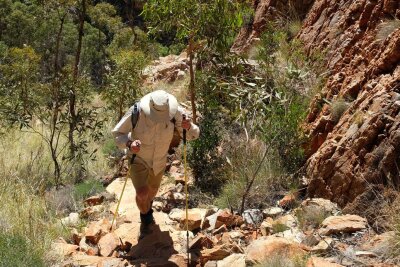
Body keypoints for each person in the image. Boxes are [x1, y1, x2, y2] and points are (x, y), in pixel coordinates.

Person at [112, 90, 200, 239]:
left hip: (159, 162)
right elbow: (117, 133)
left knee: (151, 194)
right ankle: (145, 220)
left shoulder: (175, 113)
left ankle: (147, 210)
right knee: (142, 194)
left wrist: (189, 126)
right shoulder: (136, 112)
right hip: (138, 159)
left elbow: (192, 135)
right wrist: (129, 143)